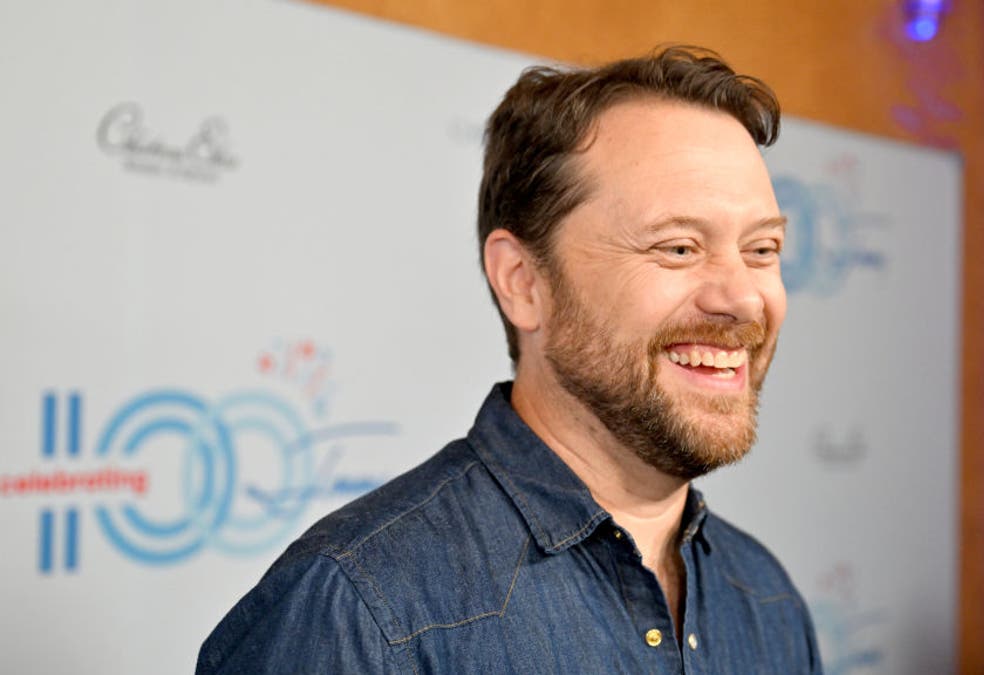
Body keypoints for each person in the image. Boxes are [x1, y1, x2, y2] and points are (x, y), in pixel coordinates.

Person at [197, 46, 822, 674]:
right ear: (523, 281)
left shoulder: (766, 599)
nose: (743, 297)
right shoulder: (361, 609)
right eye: (679, 247)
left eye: (762, 249)